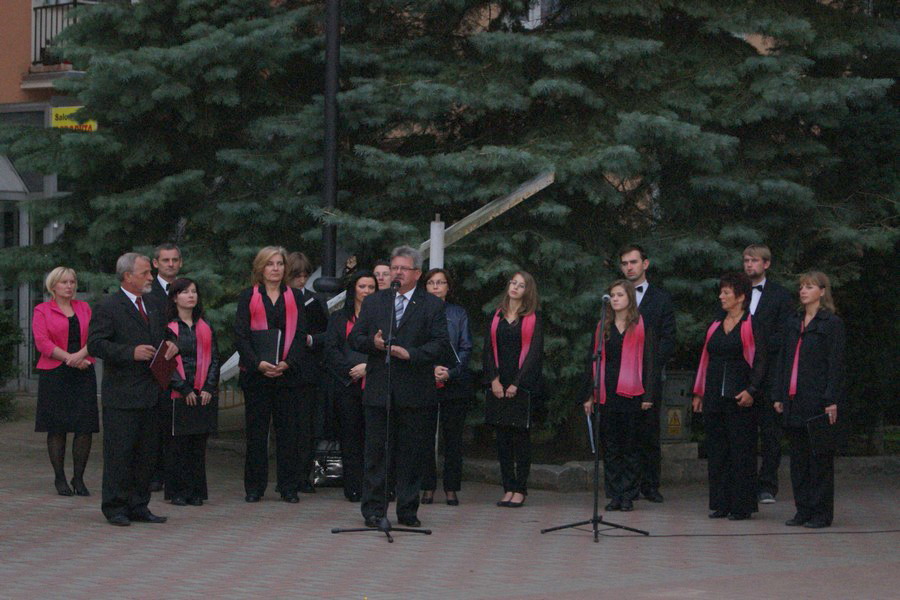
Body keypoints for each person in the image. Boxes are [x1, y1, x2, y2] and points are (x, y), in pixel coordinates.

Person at [349, 246, 449, 528]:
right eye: (394, 268)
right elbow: (355, 338)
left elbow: (440, 344)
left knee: (410, 454)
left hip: (415, 391)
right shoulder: (375, 302)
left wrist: (411, 354)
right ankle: (374, 510)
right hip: (380, 389)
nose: (397, 273)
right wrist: (374, 344)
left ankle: (407, 509)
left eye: (403, 269)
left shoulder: (432, 305)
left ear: (417, 273)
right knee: (376, 453)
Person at [88, 252, 177, 526]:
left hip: (151, 392)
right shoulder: (109, 306)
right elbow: (96, 344)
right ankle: (115, 507)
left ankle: (139, 505)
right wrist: (130, 352)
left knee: (146, 455)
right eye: (145, 273)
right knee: (120, 454)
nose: (151, 277)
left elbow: (166, 333)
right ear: (128, 277)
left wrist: (173, 343)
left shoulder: (152, 303)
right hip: (122, 395)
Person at [233, 246, 308, 503]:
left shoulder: (295, 297)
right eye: (270, 264)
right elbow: (241, 337)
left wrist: (287, 363)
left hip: (288, 375)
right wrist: (259, 364)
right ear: (260, 268)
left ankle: (288, 487)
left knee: (288, 434)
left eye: (279, 264)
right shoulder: (248, 296)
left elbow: (300, 335)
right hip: (257, 376)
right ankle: (254, 487)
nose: (275, 268)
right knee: (256, 434)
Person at [691, 272, 768, 520]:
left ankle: (741, 505)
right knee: (718, 451)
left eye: (726, 292)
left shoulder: (751, 324)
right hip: (714, 396)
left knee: (740, 451)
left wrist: (752, 390)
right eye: (721, 291)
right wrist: (699, 392)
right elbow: (705, 359)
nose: (721, 296)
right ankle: (721, 502)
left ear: (741, 297)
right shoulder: (715, 324)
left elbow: (760, 361)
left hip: (740, 397)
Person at [773, 272, 845, 528]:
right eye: (801, 287)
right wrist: (779, 394)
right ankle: (802, 510)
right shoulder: (794, 321)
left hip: (817, 399)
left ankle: (821, 512)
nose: (803, 291)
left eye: (810, 287)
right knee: (798, 460)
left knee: (819, 459)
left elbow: (835, 364)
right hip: (793, 399)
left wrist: (831, 399)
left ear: (822, 291)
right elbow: (783, 360)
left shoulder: (831, 323)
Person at [582, 280, 657, 512]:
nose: (614, 299)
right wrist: (589, 395)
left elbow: (649, 362)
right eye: (612, 295)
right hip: (607, 392)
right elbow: (592, 361)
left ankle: (629, 494)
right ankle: (615, 494)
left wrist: (648, 394)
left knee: (631, 447)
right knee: (611, 447)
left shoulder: (642, 325)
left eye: (619, 295)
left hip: (632, 393)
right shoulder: (603, 325)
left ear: (629, 299)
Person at [32, 267, 98, 497]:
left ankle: (78, 478)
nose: (69, 286)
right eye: (64, 283)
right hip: (55, 373)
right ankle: (60, 478)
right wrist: (71, 359)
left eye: (72, 282)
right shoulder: (42, 310)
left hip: (83, 371)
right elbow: (42, 343)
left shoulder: (84, 307)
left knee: (84, 427)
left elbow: (95, 337)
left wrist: (80, 357)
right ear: (53, 286)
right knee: (57, 427)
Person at [483, 271, 544, 509]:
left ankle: (520, 489)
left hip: (522, 384)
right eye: (513, 283)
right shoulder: (496, 315)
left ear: (528, 290)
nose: (515, 287)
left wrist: (517, 383)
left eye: (521, 285)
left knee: (521, 439)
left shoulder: (533, 317)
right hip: (499, 384)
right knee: (502, 440)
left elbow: (534, 353)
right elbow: (487, 350)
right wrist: (494, 381)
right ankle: (507, 487)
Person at [619, 244, 675, 503]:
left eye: (633, 262)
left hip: (649, 372)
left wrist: (651, 366)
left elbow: (668, 337)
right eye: (625, 263)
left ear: (646, 264)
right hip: (620, 374)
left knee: (649, 430)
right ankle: (624, 484)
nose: (629, 267)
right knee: (625, 431)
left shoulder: (661, 298)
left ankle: (650, 484)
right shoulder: (615, 297)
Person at [741, 244, 793, 504]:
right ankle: (745, 481)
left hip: (770, 373)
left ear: (766, 264)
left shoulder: (781, 296)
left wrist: (757, 346)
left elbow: (784, 334)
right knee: (743, 431)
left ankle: (768, 485)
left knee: (770, 432)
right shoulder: (736, 292)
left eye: (754, 260)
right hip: (742, 373)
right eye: (746, 260)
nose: (749, 265)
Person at [163, 278, 220, 507]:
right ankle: (177, 491)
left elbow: (214, 358)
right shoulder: (168, 328)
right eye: (185, 292)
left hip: (201, 392)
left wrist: (208, 387)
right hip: (178, 393)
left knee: (198, 445)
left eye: (194, 292)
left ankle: (196, 491)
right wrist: (183, 388)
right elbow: (165, 362)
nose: (191, 296)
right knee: (178, 446)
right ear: (175, 297)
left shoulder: (205, 326)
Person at [421, 268, 473, 507]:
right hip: (426, 379)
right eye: (431, 282)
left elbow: (466, 347)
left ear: (448, 287)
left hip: (454, 381)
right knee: (424, 436)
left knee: (452, 438)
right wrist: (429, 370)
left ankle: (451, 488)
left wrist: (450, 372)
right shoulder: (418, 311)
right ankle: (427, 486)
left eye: (440, 282)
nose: (435, 286)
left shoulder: (458, 313)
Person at [324, 270, 377, 502]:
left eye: (371, 287)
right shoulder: (338, 318)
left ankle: (374, 486)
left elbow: (385, 348)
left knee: (373, 438)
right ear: (353, 289)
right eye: (362, 287)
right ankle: (353, 487)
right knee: (350, 438)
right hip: (347, 385)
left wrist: (367, 367)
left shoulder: (381, 317)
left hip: (374, 384)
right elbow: (331, 350)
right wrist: (350, 371)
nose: (366, 291)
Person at [286, 251, 329, 493]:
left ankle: (304, 475)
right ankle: (290, 476)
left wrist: (312, 339)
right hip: (286, 371)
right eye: (296, 276)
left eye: (304, 276)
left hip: (310, 371)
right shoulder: (281, 299)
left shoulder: (314, 299)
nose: (301, 281)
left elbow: (328, 333)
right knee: (290, 427)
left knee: (308, 427)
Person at [147, 242, 183, 492]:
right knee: (156, 421)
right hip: (157, 362)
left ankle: (174, 473)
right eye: (165, 260)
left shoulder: (187, 288)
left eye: (175, 260)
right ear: (155, 263)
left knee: (176, 419)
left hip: (183, 361)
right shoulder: (147, 292)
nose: (171, 264)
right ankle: (154, 473)